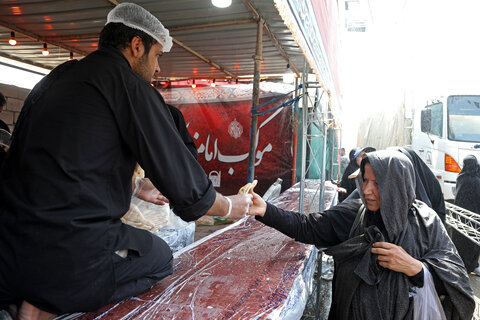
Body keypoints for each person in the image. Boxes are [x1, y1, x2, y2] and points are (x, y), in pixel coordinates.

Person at [0, 3, 252, 318]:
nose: (158, 68)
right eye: (158, 55)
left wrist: (135, 187)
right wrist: (230, 206)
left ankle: (35, 294)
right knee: (159, 257)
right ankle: (46, 305)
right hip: (64, 254)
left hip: (9, 247)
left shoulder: (58, 78)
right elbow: (185, 186)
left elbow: (66, 168)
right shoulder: (128, 84)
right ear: (136, 46)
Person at [248, 150, 474, 319]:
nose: (366, 190)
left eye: (377, 183)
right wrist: (266, 211)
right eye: (365, 180)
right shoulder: (356, 214)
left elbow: (458, 286)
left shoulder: (427, 223)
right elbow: (310, 226)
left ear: (396, 184)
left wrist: (416, 269)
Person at [453, 155, 480, 274]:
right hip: (473, 216)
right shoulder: (477, 180)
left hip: (460, 215)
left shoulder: (460, 178)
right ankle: (472, 265)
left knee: (460, 241)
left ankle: (460, 264)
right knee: (473, 241)